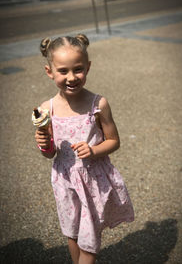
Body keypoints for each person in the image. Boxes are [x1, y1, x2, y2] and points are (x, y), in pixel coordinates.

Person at [35, 33, 134, 264]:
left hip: (92, 180)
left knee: (89, 239)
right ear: (49, 71)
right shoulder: (46, 109)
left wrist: (94, 150)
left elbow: (114, 141)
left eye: (78, 69)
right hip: (65, 181)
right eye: (63, 71)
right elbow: (49, 153)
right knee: (73, 232)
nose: (72, 77)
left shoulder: (98, 104)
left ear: (88, 67)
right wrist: (43, 141)